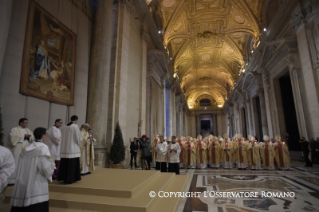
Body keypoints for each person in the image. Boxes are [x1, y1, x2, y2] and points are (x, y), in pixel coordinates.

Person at [10, 127, 55, 212]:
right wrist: (51, 171)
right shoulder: (43, 148)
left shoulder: (26, 148)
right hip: (37, 180)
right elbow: (45, 167)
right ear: (43, 136)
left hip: (24, 180)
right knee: (36, 198)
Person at [8, 118, 34, 184]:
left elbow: (32, 138)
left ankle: (23, 179)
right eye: (25, 122)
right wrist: (24, 136)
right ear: (20, 123)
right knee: (16, 162)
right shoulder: (14, 129)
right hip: (17, 149)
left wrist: (29, 137)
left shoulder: (28, 130)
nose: (26, 124)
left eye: (27, 122)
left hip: (26, 149)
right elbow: (12, 138)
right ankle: (13, 180)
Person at [58, 115, 82, 184]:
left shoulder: (64, 127)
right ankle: (71, 178)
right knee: (72, 164)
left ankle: (64, 178)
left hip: (65, 148)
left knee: (65, 163)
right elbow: (77, 137)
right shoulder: (75, 126)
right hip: (72, 149)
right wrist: (80, 142)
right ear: (76, 120)